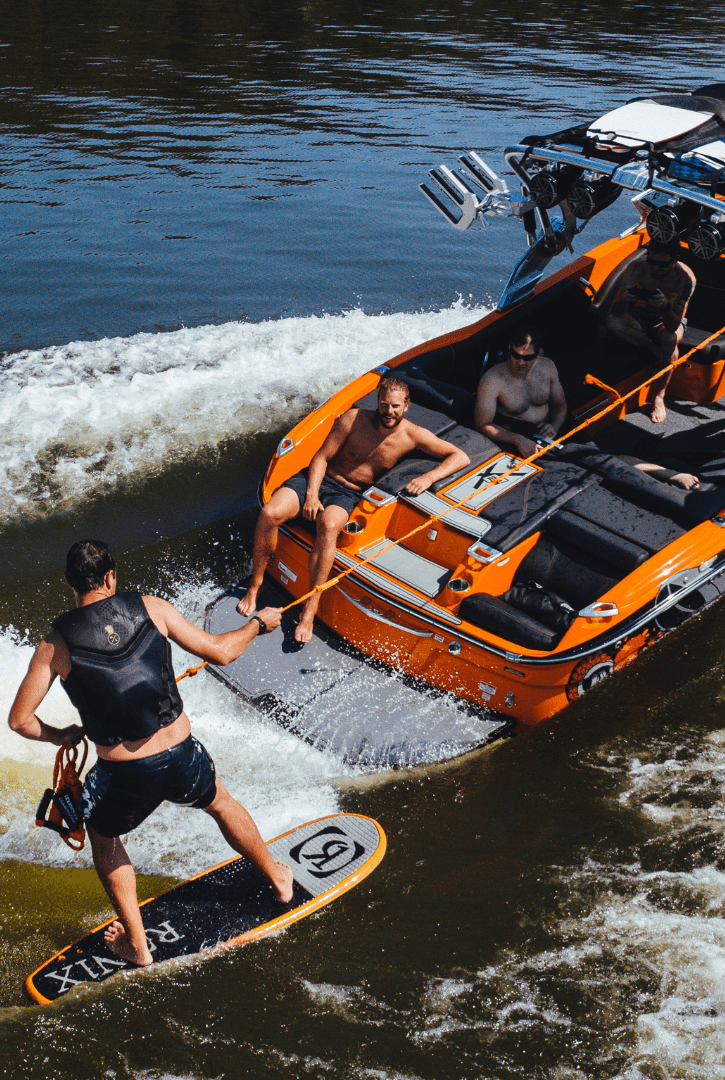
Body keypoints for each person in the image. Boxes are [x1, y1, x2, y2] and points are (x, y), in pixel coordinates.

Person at [8, 539, 290, 968]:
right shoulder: (152, 607)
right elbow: (222, 651)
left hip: (124, 775)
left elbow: (20, 721)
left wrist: (60, 735)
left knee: (104, 839)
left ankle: (138, 946)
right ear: (111, 576)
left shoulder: (55, 645)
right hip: (181, 755)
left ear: (68, 583)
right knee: (221, 803)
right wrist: (259, 625)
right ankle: (278, 881)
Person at [238, 374, 470, 643]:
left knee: (329, 526)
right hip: (317, 478)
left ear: (406, 406)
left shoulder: (413, 435)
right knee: (269, 514)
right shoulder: (353, 419)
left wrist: (429, 477)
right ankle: (256, 585)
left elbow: (459, 456)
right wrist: (311, 495)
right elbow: (321, 457)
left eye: (395, 406)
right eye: (384, 404)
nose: (389, 412)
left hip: (347, 494)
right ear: (377, 402)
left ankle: (309, 611)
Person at [605, 240, 696, 424]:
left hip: (668, 318)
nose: (656, 269)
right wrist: (626, 299)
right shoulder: (636, 269)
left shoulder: (685, 279)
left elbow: (673, 325)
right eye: (652, 262)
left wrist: (665, 307)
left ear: (675, 260)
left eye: (662, 265)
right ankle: (653, 350)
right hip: (638, 315)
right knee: (612, 323)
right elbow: (616, 311)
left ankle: (659, 397)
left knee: (670, 341)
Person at [474, 328, 567, 458]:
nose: (521, 362)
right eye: (516, 356)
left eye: (528, 357)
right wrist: (518, 440)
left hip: (551, 430)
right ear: (510, 349)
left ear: (539, 353)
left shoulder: (548, 367)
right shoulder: (492, 380)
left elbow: (560, 405)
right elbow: (482, 424)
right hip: (518, 436)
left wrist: (554, 427)